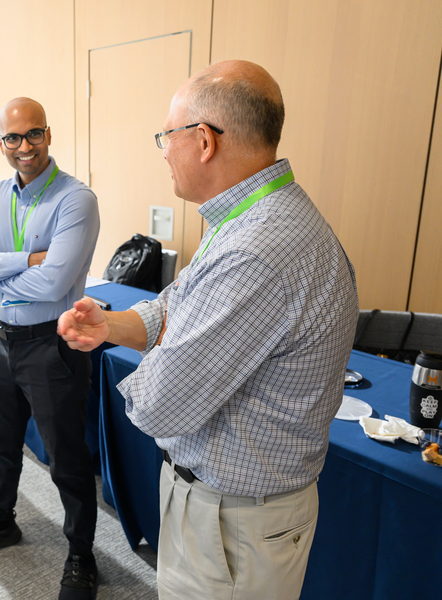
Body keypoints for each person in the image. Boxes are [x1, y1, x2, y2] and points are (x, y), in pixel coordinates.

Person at [58, 60, 359, 600]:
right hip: (229, 512)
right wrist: (112, 326)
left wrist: (169, 350)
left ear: (203, 141)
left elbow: (159, 404)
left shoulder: (255, 253)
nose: (163, 151)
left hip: (233, 524)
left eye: (166, 136)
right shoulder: (252, 216)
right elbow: (179, 304)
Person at [0, 97, 101, 600]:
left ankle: (81, 554)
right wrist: (29, 259)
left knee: (66, 458)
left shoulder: (76, 199)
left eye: (34, 133)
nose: (24, 146)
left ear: (48, 135)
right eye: (13, 137)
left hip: (50, 345)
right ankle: (0, 522)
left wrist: (0, 268)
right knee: (1, 442)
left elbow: (55, 283)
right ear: (2, 144)